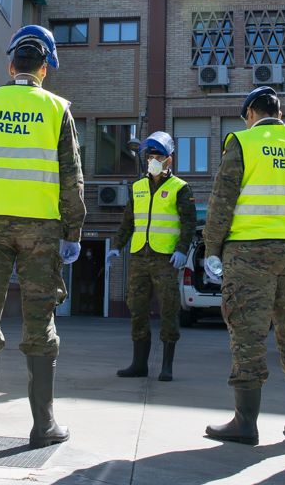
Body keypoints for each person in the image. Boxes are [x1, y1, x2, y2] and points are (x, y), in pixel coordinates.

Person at [0, 25, 87, 449]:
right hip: (41, 229)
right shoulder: (57, 109)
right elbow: (72, 176)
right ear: (44, 69)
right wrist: (73, 231)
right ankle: (44, 426)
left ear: (11, 67)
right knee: (39, 321)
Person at [202, 86, 285, 445]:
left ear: (251, 113)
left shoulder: (242, 141)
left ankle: (245, 424)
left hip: (251, 251)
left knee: (248, 335)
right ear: (279, 113)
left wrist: (212, 246)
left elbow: (223, 198)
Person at [112, 131, 196, 382]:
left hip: (165, 259)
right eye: (149, 156)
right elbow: (128, 221)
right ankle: (139, 364)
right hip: (139, 257)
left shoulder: (180, 188)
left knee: (169, 309)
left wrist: (182, 250)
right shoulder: (137, 187)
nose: (153, 160)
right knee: (137, 309)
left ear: (169, 159)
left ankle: (166, 366)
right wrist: (117, 245)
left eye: (158, 156)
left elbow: (189, 223)